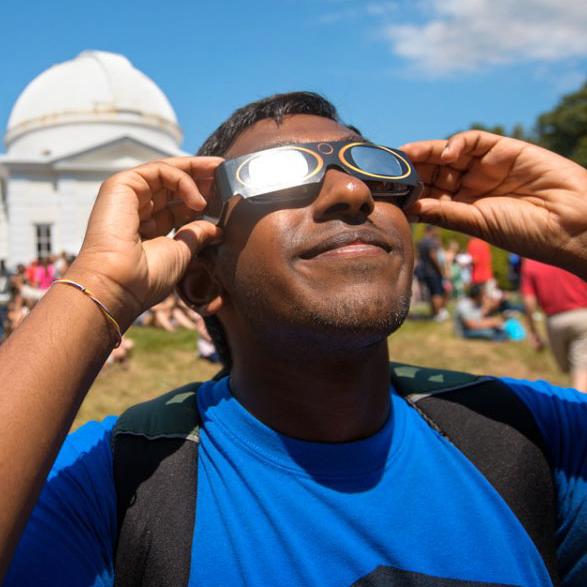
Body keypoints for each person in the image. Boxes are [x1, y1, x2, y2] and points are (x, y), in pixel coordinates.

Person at [1, 92, 587, 586]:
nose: (351, 192)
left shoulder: (529, 436)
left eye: (369, 166)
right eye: (278, 175)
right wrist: (99, 282)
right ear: (204, 276)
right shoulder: (117, 484)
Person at [521, 258, 587, 392]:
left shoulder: (530, 262)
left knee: (575, 371)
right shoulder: (570, 252)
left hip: (554, 322)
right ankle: (577, 410)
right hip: (583, 316)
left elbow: (529, 302)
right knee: (580, 371)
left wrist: (533, 332)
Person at [415, 225, 449, 321]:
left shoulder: (421, 242)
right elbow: (433, 256)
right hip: (433, 271)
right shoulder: (431, 242)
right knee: (437, 292)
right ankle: (438, 315)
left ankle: (433, 313)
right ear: (431, 230)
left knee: (431, 293)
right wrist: (440, 269)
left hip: (424, 271)